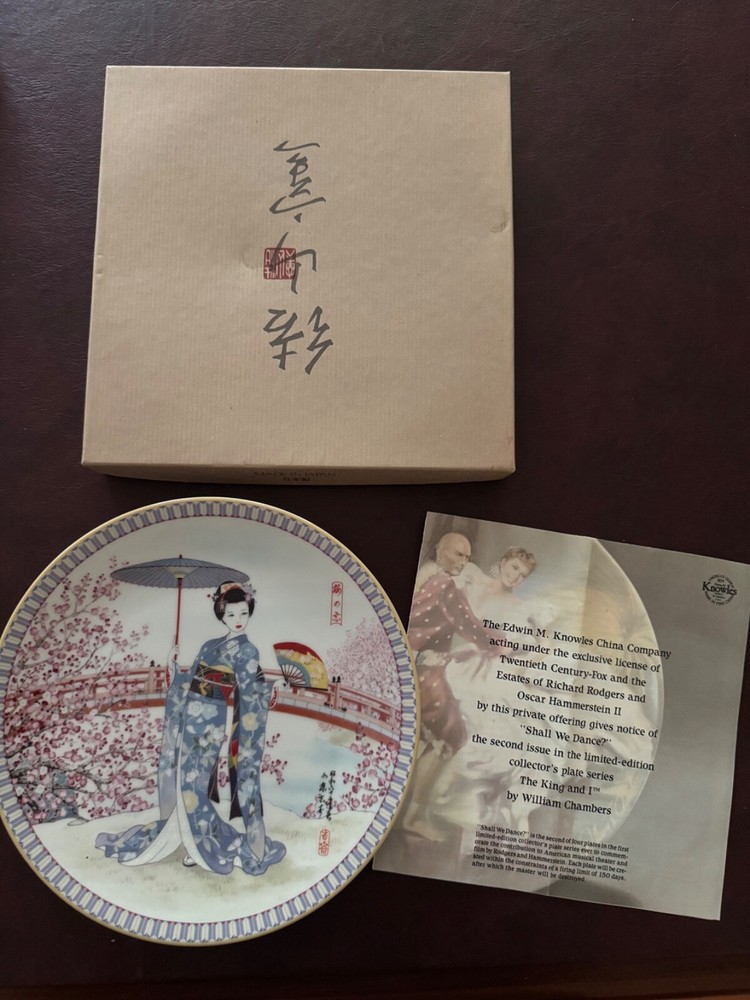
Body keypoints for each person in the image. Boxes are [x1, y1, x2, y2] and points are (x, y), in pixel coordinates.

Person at [96, 580, 286, 875]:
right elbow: (190, 681)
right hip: (189, 717)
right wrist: (173, 668)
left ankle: (201, 845)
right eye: (231, 614)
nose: (238, 620)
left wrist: (271, 687)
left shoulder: (247, 651)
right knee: (185, 780)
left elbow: (251, 689)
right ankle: (185, 838)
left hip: (210, 723)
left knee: (193, 784)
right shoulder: (209, 646)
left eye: (243, 613)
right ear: (221, 614)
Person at [401, 532, 495, 839]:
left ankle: (408, 811)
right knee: (452, 735)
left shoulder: (426, 579)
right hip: (426, 671)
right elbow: (469, 625)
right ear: (440, 550)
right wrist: (504, 644)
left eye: (467, 557)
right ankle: (414, 816)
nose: (463, 562)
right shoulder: (443, 585)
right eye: (458, 554)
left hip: (416, 667)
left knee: (429, 739)